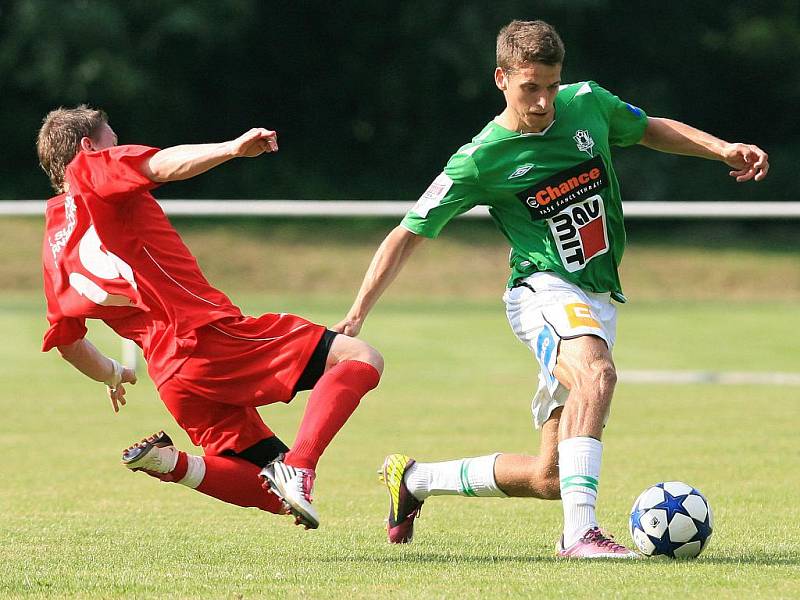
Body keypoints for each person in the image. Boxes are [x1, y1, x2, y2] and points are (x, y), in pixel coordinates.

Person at [334, 20, 768, 557]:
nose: (542, 101)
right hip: (541, 292)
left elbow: (649, 126)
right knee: (597, 374)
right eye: (529, 87)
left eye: (551, 85)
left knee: (550, 477)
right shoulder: (480, 159)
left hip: (598, 296)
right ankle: (580, 534)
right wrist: (355, 316)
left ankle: (414, 479)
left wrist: (721, 149)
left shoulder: (588, 103)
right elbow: (406, 233)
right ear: (501, 79)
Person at [38, 105, 384, 530]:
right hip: (204, 338)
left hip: (170, 374)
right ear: (89, 146)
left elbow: (69, 342)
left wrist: (112, 372)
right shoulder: (92, 168)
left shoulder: (55, 240)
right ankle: (303, 465)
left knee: (273, 491)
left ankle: (172, 463)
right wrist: (232, 149)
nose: (118, 145)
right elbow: (160, 165)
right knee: (361, 357)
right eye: (114, 138)